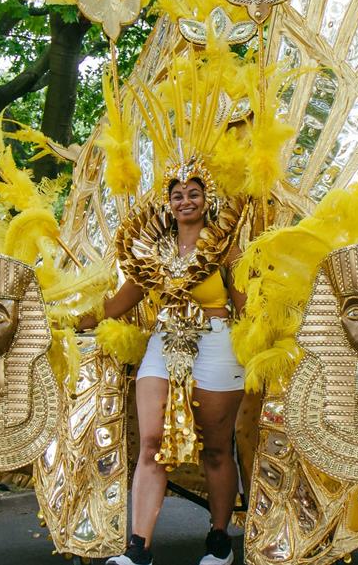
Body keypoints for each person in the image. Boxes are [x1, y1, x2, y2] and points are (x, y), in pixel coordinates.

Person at [79, 169, 246, 565]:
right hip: (163, 342)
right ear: (169, 205)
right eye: (178, 195)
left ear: (206, 200)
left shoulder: (227, 248)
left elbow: (245, 306)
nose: (186, 201)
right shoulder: (153, 251)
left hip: (216, 343)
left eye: (193, 193)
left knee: (216, 448)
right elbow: (119, 302)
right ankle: (138, 549)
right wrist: (70, 319)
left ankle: (219, 541)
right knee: (151, 445)